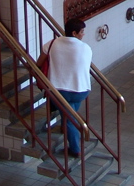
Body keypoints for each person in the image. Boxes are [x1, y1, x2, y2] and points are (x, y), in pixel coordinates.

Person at [36, 18, 92, 158]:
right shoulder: (86, 48)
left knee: (68, 118)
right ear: (74, 33)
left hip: (59, 91)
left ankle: (75, 148)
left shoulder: (52, 44)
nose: (83, 34)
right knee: (70, 113)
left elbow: (39, 63)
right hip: (81, 90)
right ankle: (73, 143)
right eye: (82, 32)